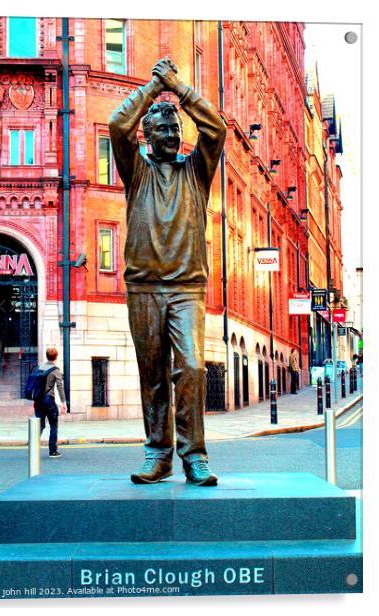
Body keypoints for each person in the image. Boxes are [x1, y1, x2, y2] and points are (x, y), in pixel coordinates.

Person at [109, 58, 226, 486]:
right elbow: (118, 126)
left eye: (177, 130)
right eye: (165, 130)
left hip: (187, 287)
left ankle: (194, 455)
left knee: (192, 367)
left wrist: (178, 88)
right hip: (142, 286)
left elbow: (215, 128)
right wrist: (152, 87)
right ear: (149, 136)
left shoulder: (196, 172)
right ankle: (158, 454)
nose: (174, 135)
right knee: (152, 374)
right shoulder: (135, 171)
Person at [34, 347, 67, 458]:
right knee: (53, 425)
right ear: (56, 357)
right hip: (48, 400)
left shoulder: (40, 368)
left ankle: (33, 446)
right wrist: (63, 403)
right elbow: (60, 387)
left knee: (40, 425)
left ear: (47, 356)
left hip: (38, 401)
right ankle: (53, 451)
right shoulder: (55, 370)